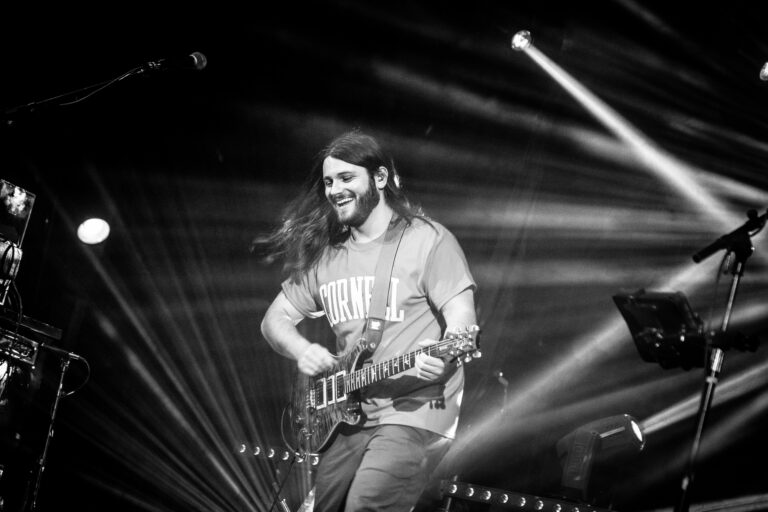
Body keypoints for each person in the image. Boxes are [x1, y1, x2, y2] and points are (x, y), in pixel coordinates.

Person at [258, 130, 477, 512]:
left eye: (346, 178)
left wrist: (444, 353)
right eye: (329, 182)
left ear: (379, 177)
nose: (334, 190)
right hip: (347, 416)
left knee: (366, 505)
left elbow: (462, 318)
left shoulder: (428, 239)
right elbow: (274, 320)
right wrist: (302, 349)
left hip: (416, 409)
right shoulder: (327, 255)